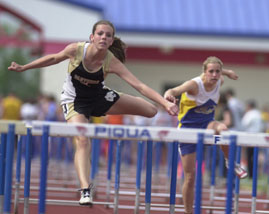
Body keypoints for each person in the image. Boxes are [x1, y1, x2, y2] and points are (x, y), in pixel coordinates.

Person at [8, 20, 178, 206]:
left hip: (98, 97)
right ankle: (85, 189)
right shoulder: (76, 50)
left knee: (151, 110)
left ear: (112, 41)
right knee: (82, 139)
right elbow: (53, 58)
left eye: (108, 35)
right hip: (75, 102)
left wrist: (164, 103)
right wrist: (25, 67)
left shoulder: (111, 61)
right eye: (100, 34)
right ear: (92, 37)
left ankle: (143, 106)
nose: (103, 37)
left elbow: (139, 85)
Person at [164, 56, 248, 214]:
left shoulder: (220, 81)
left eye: (217, 71)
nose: (215, 75)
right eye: (211, 71)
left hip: (207, 123)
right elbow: (174, 90)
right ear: (204, 72)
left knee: (223, 128)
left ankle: (231, 162)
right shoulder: (194, 85)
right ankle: (189, 211)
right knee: (190, 177)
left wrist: (229, 73)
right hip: (188, 128)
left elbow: (223, 72)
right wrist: (169, 96)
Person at [241, 100, 264, 178]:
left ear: (249, 106)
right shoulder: (259, 113)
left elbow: (244, 124)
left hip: (250, 137)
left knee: (249, 156)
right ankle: (255, 174)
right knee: (255, 156)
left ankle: (251, 174)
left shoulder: (249, 114)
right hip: (258, 137)